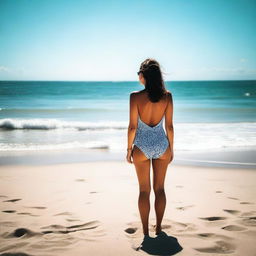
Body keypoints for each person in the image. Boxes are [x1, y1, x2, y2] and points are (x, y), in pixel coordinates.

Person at [126, 58, 174, 237]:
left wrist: (129, 149)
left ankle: (146, 231)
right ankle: (159, 227)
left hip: (142, 147)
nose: (138, 76)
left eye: (139, 73)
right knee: (160, 189)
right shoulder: (167, 96)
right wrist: (172, 149)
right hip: (162, 145)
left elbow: (132, 127)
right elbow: (169, 126)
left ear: (144, 75)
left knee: (144, 190)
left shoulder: (135, 96)